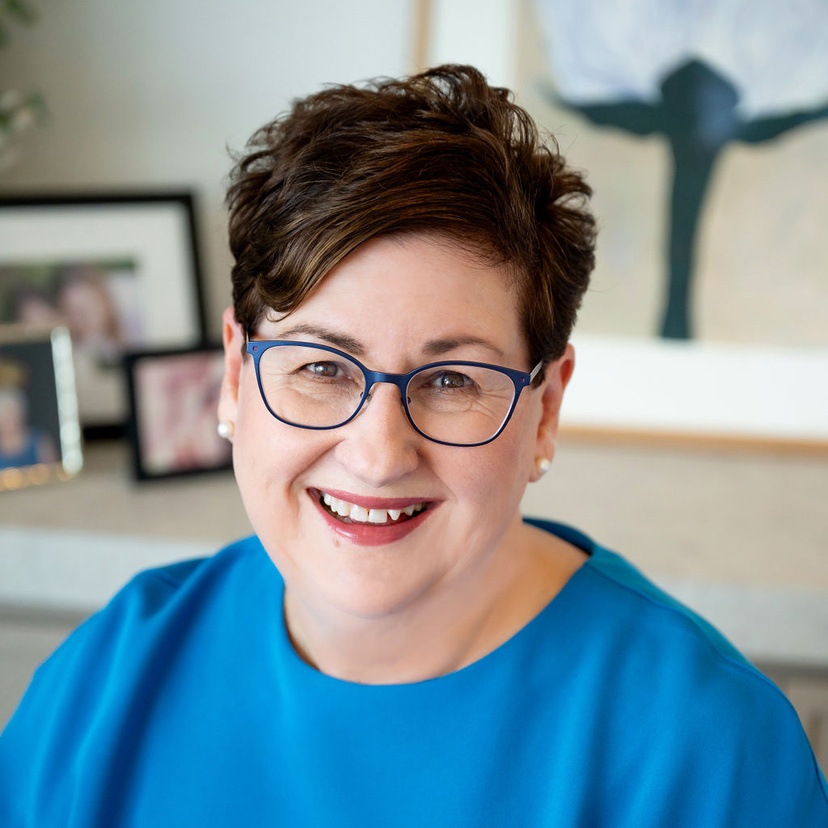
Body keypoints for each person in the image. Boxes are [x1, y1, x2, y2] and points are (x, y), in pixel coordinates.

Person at [0, 65, 825, 826]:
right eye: (321, 367)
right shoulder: (107, 680)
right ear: (235, 376)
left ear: (545, 408)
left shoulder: (713, 753)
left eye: (453, 379)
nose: (377, 454)